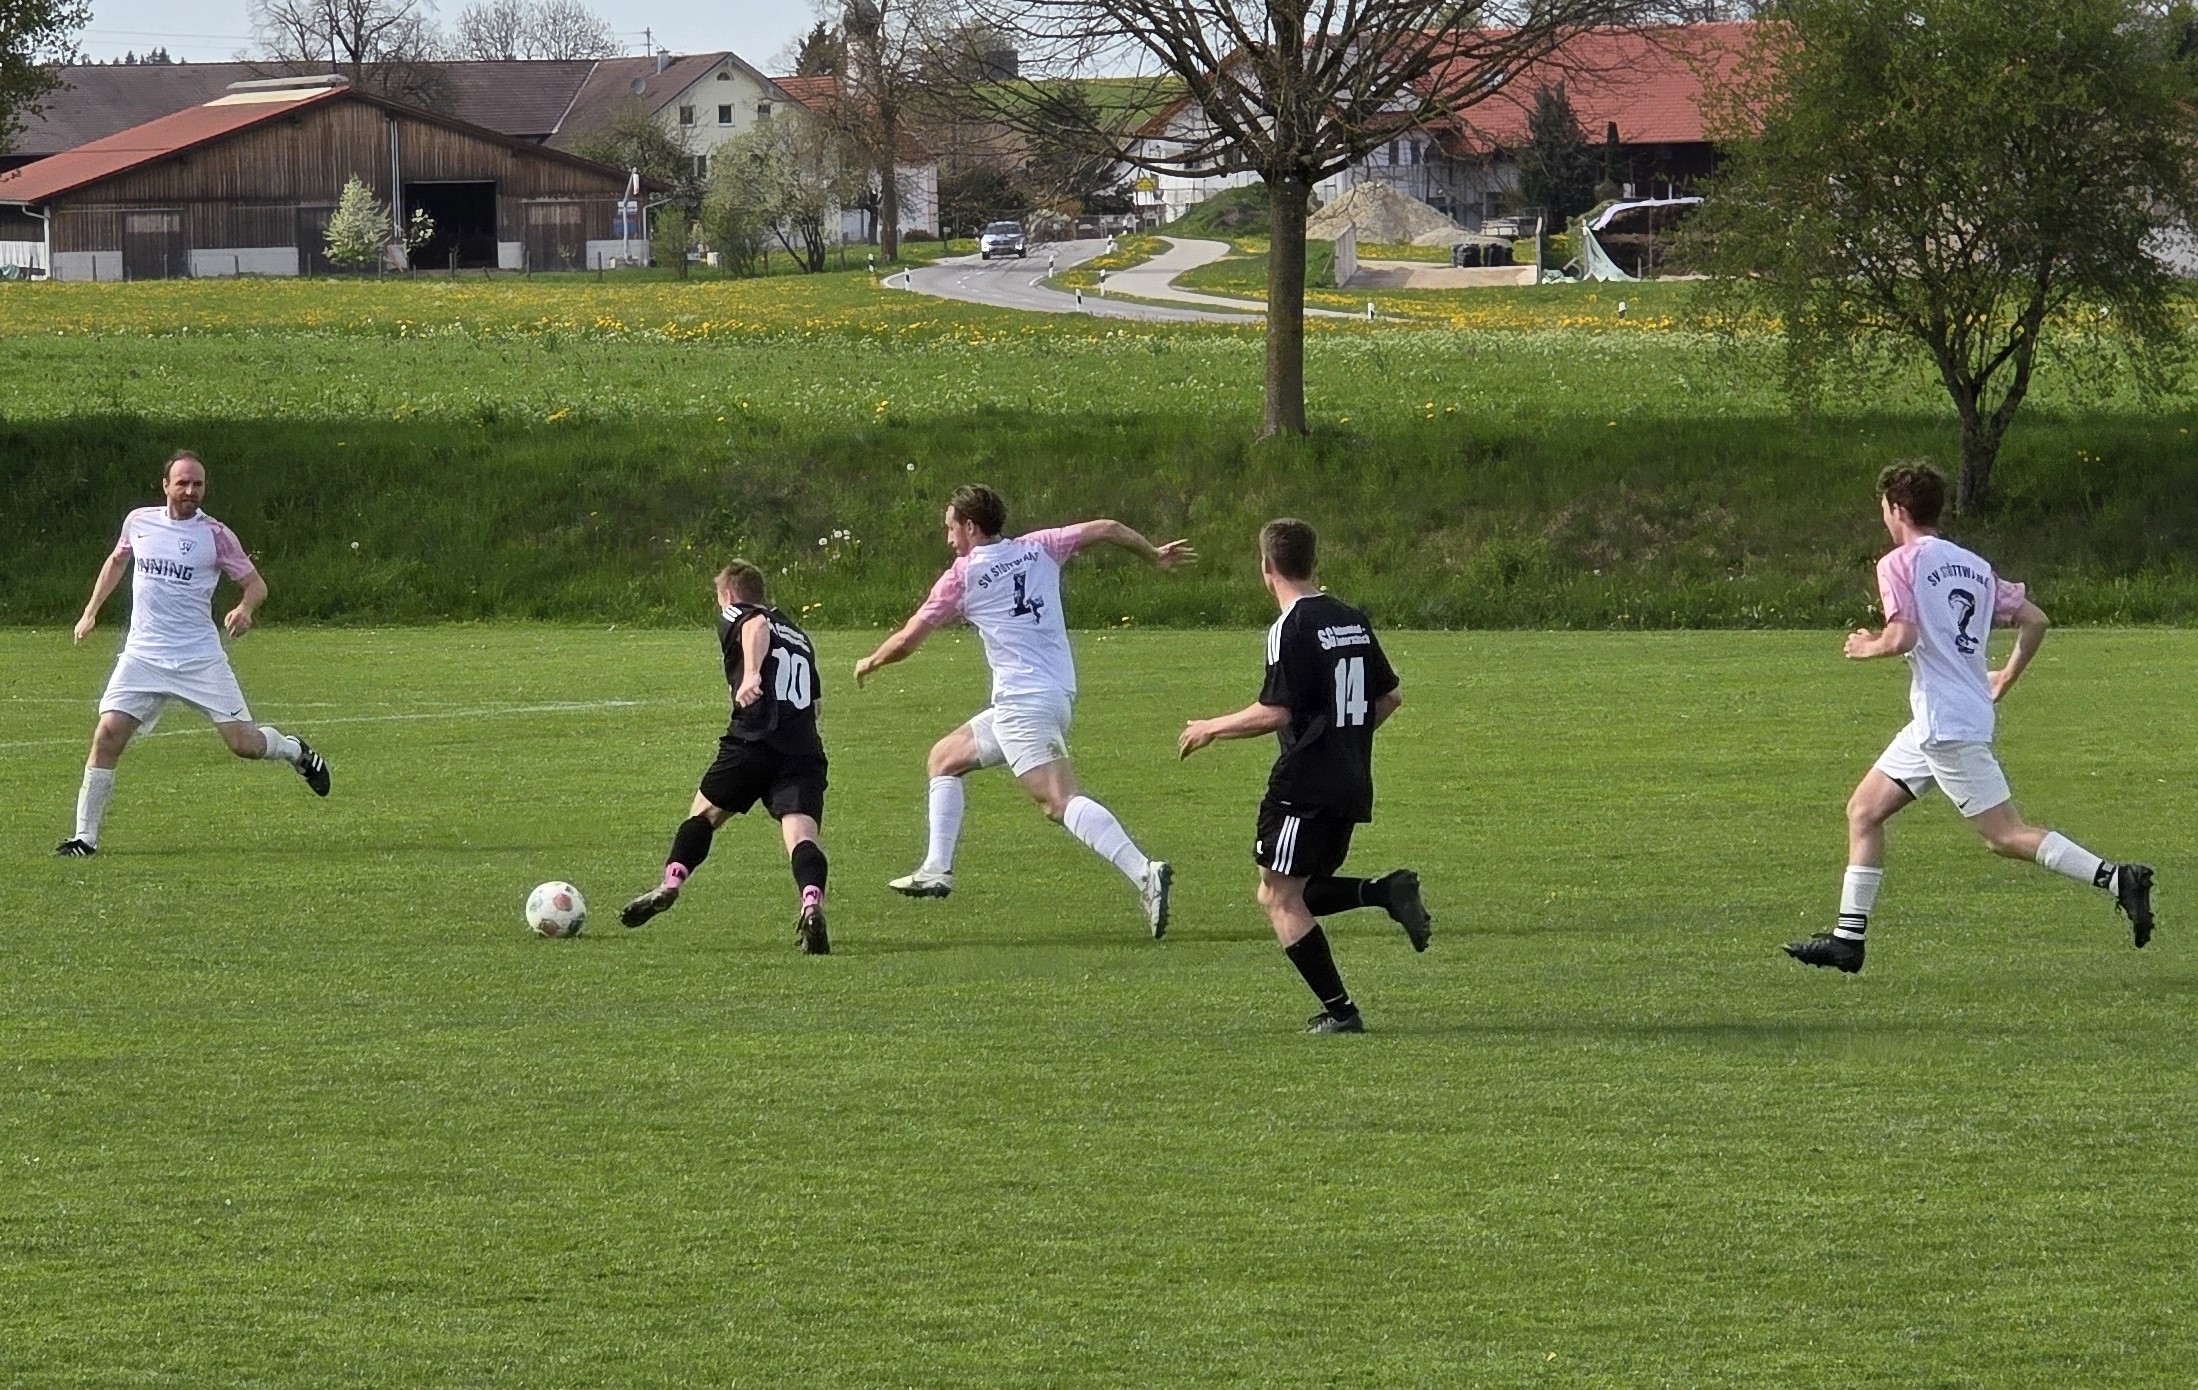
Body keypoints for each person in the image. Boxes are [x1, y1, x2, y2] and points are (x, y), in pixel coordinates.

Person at [1786, 463, 2155, 973]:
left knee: (2004, 835)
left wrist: (1867, 645)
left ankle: (2118, 878)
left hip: (1945, 727)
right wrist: (2003, 676)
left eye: (1884, 509)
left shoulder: (1899, 563)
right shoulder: (1972, 565)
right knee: (1864, 810)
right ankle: (1848, 940)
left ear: (1895, 508)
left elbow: (1904, 637)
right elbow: (2035, 618)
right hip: (1943, 719)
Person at [855, 484, 1192, 936]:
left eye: (951, 529)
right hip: (1051, 695)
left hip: (1022, 705)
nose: (949, 539)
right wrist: (1152, 553)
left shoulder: (961, 576)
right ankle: (936, 868)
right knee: (944, 758)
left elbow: (908, 639)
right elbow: (1107, 527)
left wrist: (872, 660)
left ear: (970, 527)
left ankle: (1143, 871)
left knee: (1058, 802)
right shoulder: (1039, 547)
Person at [1178, 519, 1430, 1034]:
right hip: (1351, 780)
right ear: (1314, 562)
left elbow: (1277, 711)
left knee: (1280, 897)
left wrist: (1212, 727)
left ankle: (1342, 1013)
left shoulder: (1288, 627)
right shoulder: (1351, 618)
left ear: (1266, 568)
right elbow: (1389, 696)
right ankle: (1384, 892)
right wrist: (1347, 738)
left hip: (1305, 784)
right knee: (1287, 890)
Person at [57, 451, 329, 856]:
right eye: (181, 483)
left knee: (244, 744)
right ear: (165, 485)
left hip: (199, 657)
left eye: (197, 484)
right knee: (108, 734)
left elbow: (256, 585)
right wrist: (90, 612)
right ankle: (84, 838)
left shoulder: (216, 535)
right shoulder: (139, 521)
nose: (189, 491)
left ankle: (294, 751)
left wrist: (244, 609)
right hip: (143, 655)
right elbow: (117, 560)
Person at [621, 562, 832, 954]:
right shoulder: (800, 636)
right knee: (801, 836)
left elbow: (755, 625)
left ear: (728, 595)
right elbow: (815, 704)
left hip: (752, 739)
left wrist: (751, 674)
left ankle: (670, 884)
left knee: (703, 816)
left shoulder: (743, 613)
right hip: (803, 749)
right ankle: (810, 903)